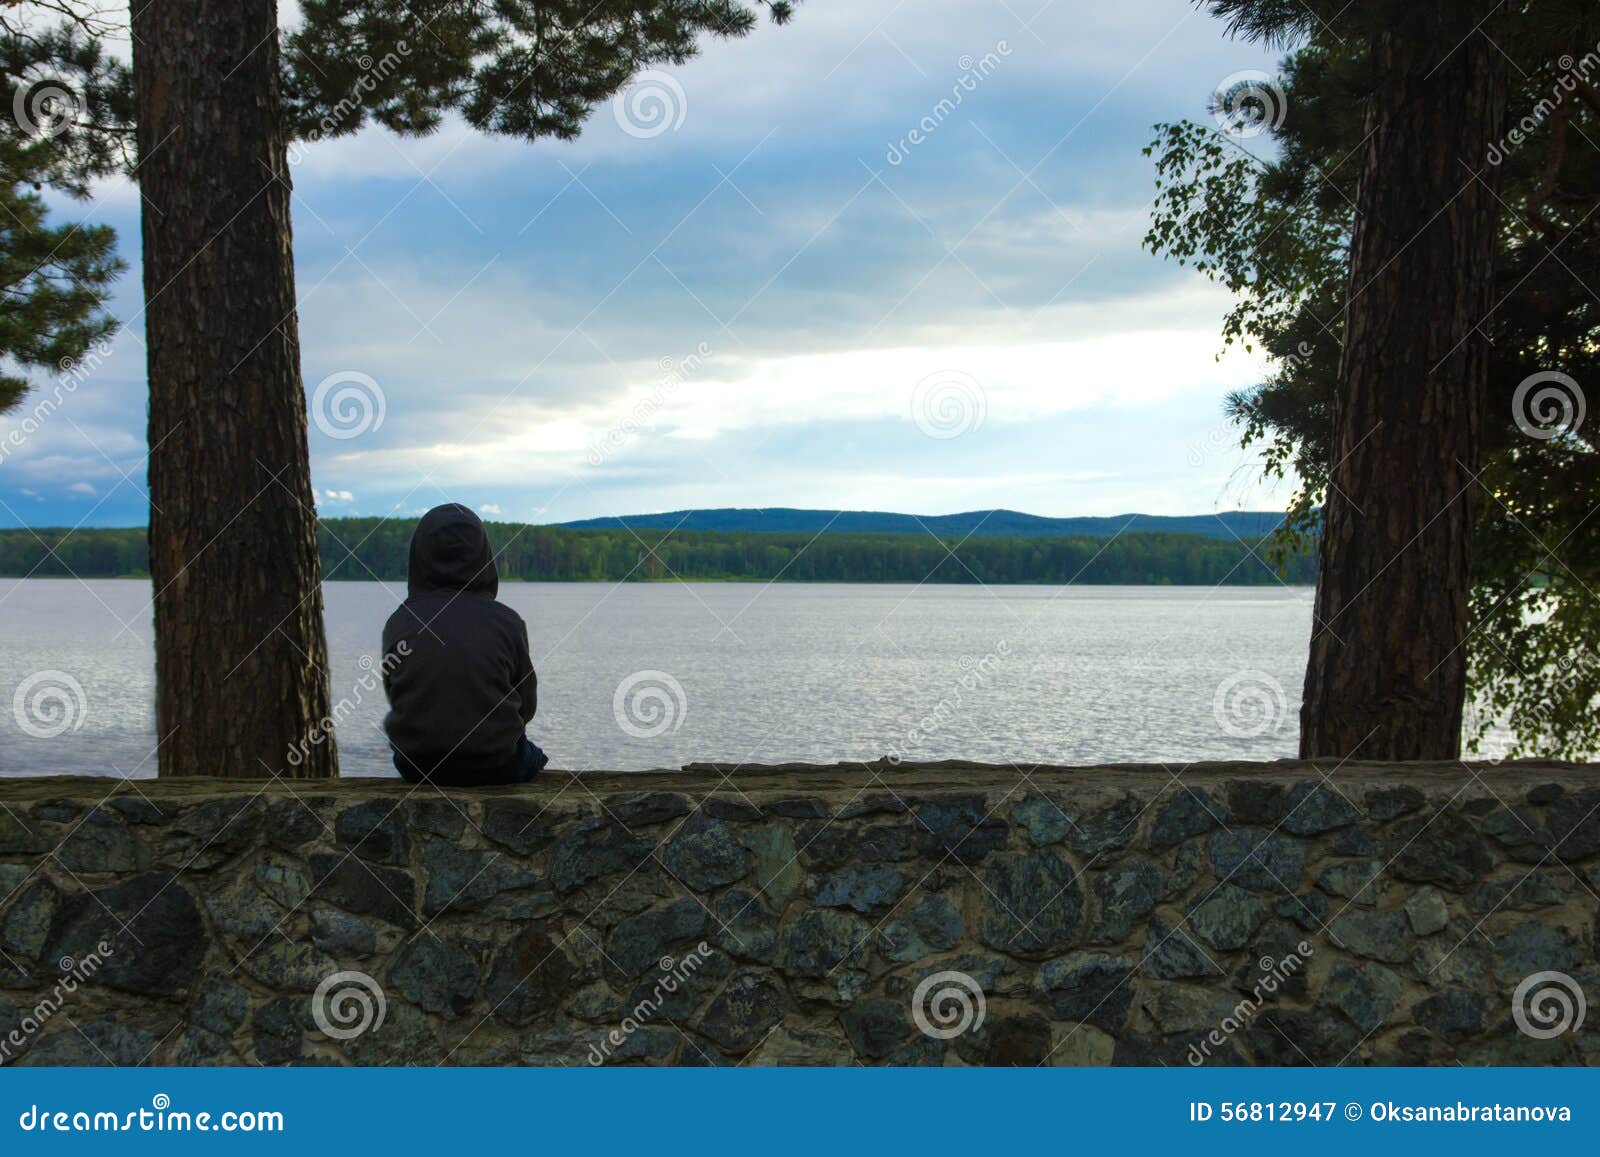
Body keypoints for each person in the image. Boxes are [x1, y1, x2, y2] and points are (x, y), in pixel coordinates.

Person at [381, 503, 548, 785]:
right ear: (484, 556)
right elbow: (525, 705)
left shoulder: (399, 622)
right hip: (495, 763)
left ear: (419, 556)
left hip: (416, 766)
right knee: (533, 756)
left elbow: (396, 693)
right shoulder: (506, 622)